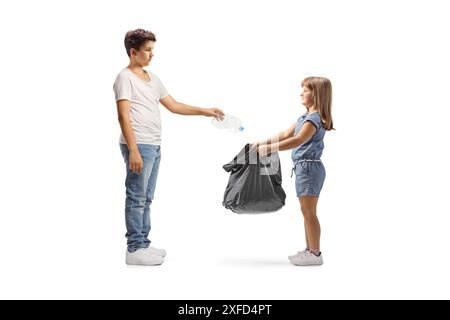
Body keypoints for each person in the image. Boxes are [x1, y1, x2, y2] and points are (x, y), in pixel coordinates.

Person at [113, 29, 224, 266]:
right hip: (139, 144)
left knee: (147, 197)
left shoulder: (152, 78)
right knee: (137, 197)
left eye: (153, 49)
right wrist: (133, 149)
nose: (152, 54)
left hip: (154, 144)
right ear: (133, 52)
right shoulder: (125, 78)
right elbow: (123, 116)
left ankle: (143, 244)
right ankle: (134, 249)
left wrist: (205, 111)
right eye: (147, 50)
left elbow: (173, 105)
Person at [253, 77, 333, 266]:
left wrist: (272, 149)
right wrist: (264, 142)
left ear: (317, 94)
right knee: (306, 211)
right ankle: (310, 250)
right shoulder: (304, 117)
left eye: (305, 90)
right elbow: (286, 135)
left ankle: (315, 253)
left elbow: (298, 140)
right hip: (303, 168)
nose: (301, 93)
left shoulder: (314, 119)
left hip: (309, 169)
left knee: (309, 212)